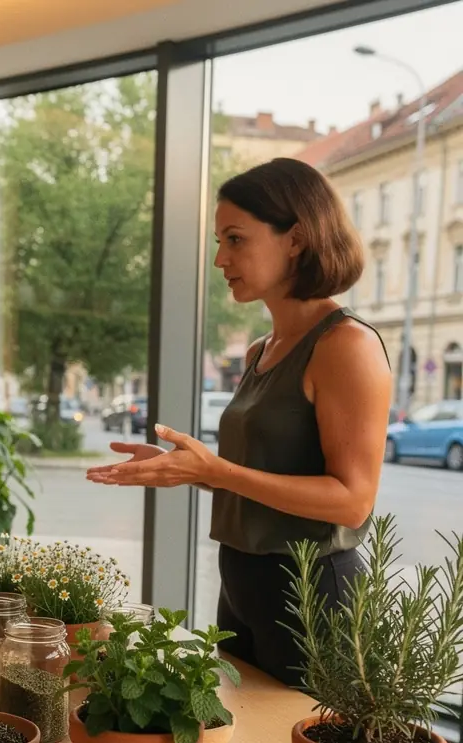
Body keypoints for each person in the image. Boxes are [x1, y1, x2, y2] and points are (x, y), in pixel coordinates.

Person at [87, 158, 391, 685]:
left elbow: (353, 499)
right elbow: (262, 478)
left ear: (295, 239)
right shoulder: (261, 350)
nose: (220, 258)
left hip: (313, 591)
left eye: (235, 239)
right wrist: (187, 469)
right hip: (243, 579)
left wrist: (219, 472)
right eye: (218, 241)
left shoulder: (347, 346)